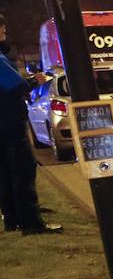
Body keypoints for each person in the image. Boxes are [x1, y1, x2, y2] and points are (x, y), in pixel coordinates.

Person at [0, 14, 60, 235]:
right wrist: (36, 81)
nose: (4, 33)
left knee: (6, 175)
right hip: (11, 126)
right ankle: (31, 222)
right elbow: (17, 87)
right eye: (2, 30)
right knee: (23, 173)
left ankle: (12, 219)